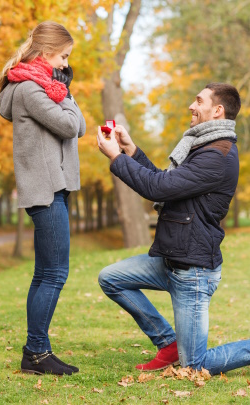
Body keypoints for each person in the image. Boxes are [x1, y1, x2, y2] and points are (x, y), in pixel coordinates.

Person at [97, 83, 250, 376]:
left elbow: (157, 187)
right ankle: (168, 343)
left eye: (198, 101)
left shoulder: (217, 155)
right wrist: (132, 152)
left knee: (194, 365)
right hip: (172, 258)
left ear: (217, 110)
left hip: (193, 272)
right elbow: (166, 187)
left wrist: (117, 158)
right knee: (111, 279)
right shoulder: (202, 146)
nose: (192, 106)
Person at [0, 21, 86, 375]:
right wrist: (69, 98)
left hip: (51, 186)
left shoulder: (45, 88)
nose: (64, 64)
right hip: (45, 190)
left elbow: (82, 126)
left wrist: (66, 96)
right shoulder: (31, 89)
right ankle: (36, 353)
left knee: (45, 273)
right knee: (55, 273)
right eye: (62, 56)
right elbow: (71, 126)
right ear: (46, 53)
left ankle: (37, 351)